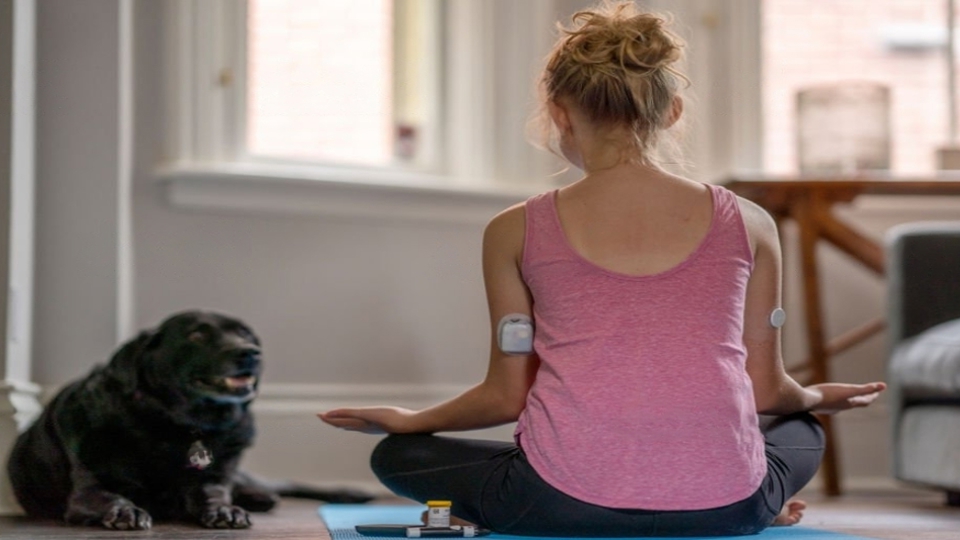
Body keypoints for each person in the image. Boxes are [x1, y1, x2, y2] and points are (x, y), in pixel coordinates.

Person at [319, 1, 886, 536]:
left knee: (398, 454)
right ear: (673, 111)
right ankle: (756, 505)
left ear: (560, 115)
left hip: (556, 505)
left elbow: (504, 397)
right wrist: (815, 398)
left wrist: (407, 418)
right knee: (801, 431)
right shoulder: (752, 223)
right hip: (729, 507)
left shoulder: (513, 229)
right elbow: (767, 390)